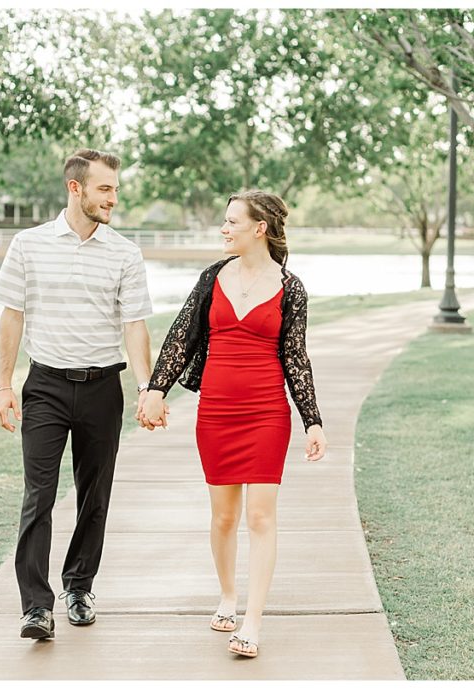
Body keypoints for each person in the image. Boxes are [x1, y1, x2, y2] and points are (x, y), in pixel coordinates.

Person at [141, 190, 327, 659]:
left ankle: (253, 621)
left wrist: (313, 421)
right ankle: (228, 596)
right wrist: (156, 390)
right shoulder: (212, 277)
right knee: (224, 516)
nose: (223, 229)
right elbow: (181, 336)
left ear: (258, 227)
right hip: (217, 412)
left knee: (261, 516)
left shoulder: (291, 288)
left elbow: (295, 358)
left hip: (267, 412)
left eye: (231, 222)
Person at [0, 148, 154, 640]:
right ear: (75, 188)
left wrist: (147, 387)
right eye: (105, 188)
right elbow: (12, 315)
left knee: (94, 496)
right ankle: (36, 606)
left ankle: (79, 587)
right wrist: (3, 385)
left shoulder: (125, 252)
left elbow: (135, 325)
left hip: (103, 388)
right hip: (45, 386)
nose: (113, 198)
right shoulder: (28, 244)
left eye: (116, 189)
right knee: (38, 495)